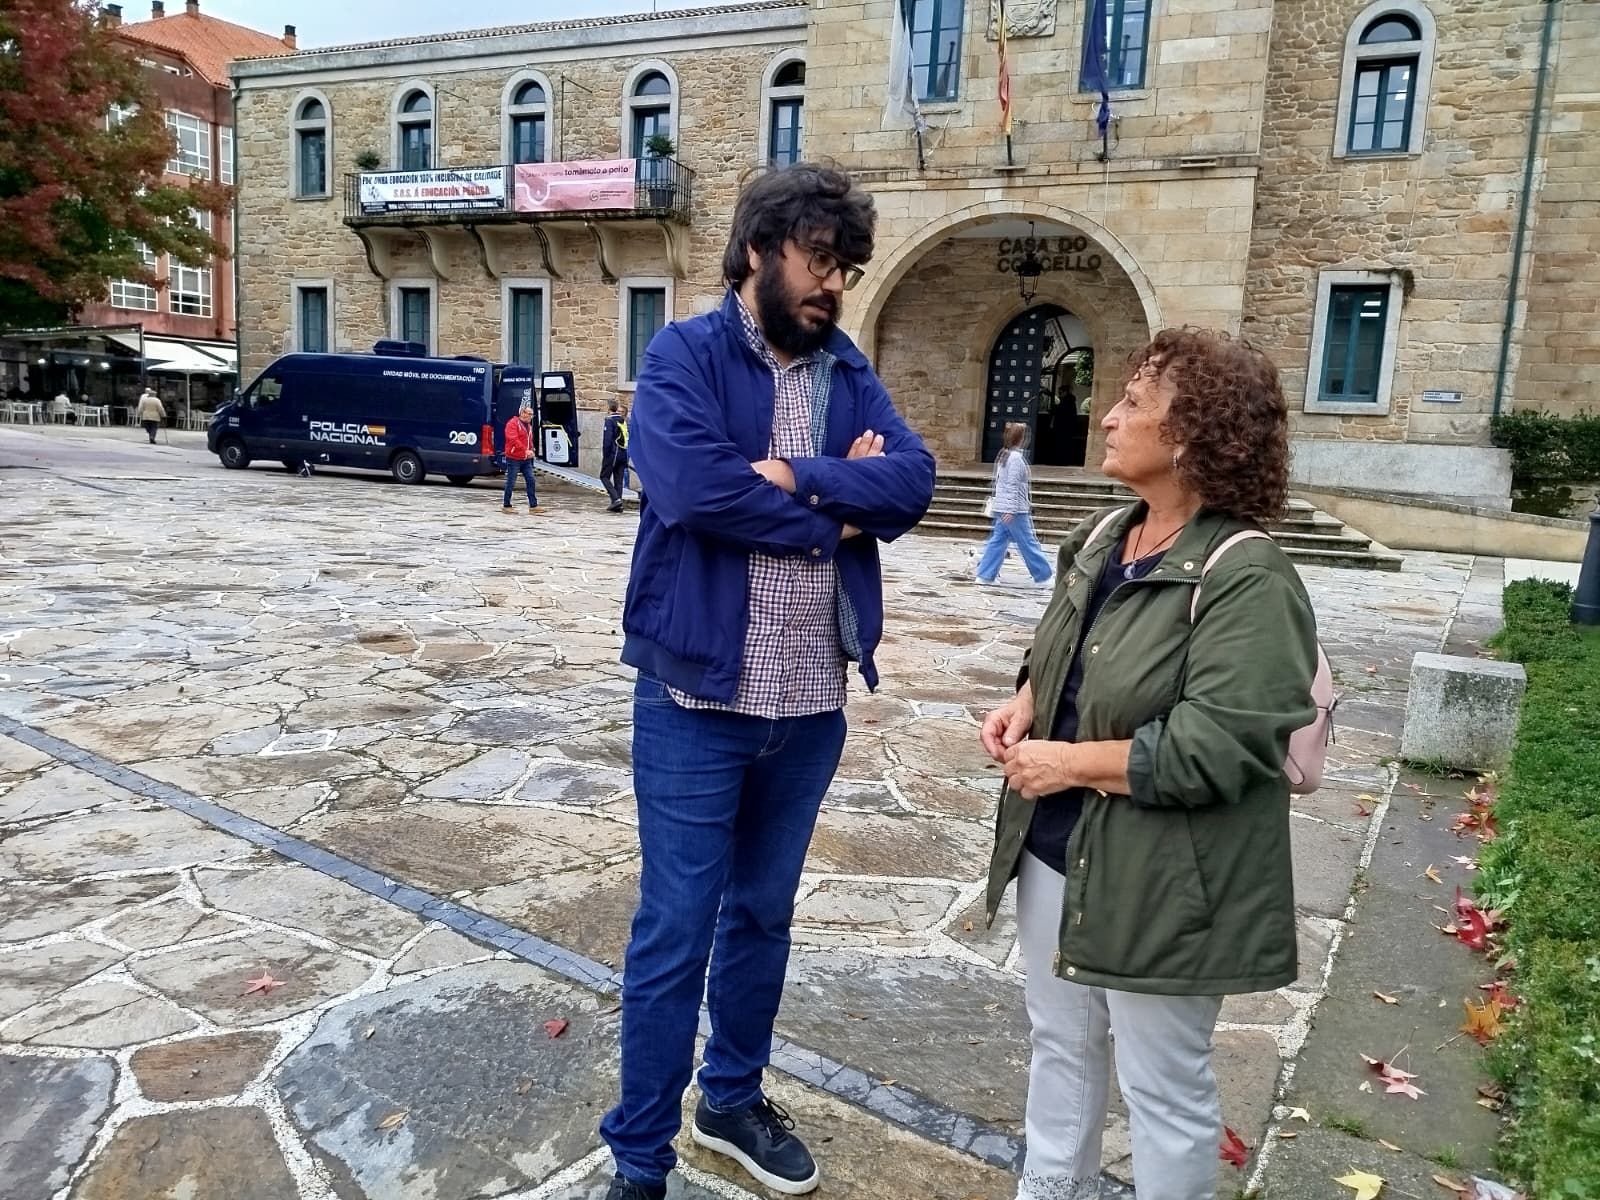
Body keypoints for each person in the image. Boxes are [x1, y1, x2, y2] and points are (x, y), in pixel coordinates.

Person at [603, 164, 936, 1200]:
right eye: (816, 260)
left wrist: (803, 476)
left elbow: (914, 481)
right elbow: (693, 489)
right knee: (675, 932)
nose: (831, 284)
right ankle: (640, 1161)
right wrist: (837, 515)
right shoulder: (684, 356)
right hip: (697, 705)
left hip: (808, 709)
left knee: (763, 919)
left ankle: (731, 1098)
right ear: (758, 251)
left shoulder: (845, 371)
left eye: (843, 267)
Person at [979, 328, 1320, 1200]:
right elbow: (1064, 644)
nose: (1106, 416)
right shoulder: (1103, 534)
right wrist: (1026, 698)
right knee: (1061, 1047)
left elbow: (1222, 743)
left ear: (1190, 435)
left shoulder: (1250, 576)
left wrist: (1068, 764)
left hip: (1168, 877)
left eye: (1133, 402)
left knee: (1161, 1086)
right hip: (1057, 850)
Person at [976, 421, 1054, 588]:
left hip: (1003, 507)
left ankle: (985, 575)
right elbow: (1012, 486)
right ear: (1022, 439)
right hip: (1014, 510)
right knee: (1027, 541)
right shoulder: (1016, 459)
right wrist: (1011, 509)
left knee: (998, 541)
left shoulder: (1004, 456)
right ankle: (1043, 576)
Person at [501, 399, 541, 514]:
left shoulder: (528, 426)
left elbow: (529, 440)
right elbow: (513, 439)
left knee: (531, 480)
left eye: (532, 415)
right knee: (511, 481)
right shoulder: (512, 423)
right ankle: (506, 505)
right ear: (523, 413)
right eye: (530, 414)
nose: (531, 417)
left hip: (525, 459)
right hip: (514, 457)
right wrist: (525, 450)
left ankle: (533, 506)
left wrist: (532, 450)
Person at [601, 397, 630, 513]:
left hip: (613, 453)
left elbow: (607, 441)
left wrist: (606, 455)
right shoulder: (622, 420)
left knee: (604, 476)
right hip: (623, 452)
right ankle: (618, 505)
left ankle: (616, 499)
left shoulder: (609, 420)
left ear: (608, 408)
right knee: (618, 479)